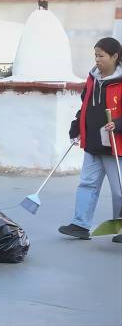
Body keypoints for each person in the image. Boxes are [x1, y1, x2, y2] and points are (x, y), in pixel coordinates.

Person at [59, 37, 122, 243]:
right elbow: (85, 105)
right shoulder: (92, 79)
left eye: (101, 56)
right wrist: (78, 124)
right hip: (93, 143)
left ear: (115, 56)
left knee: (119, 190)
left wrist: (118, 124)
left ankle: (121, 227)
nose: (97, 60)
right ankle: (80, 224)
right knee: (87, 184)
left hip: (116, 146)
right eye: (95, 55)